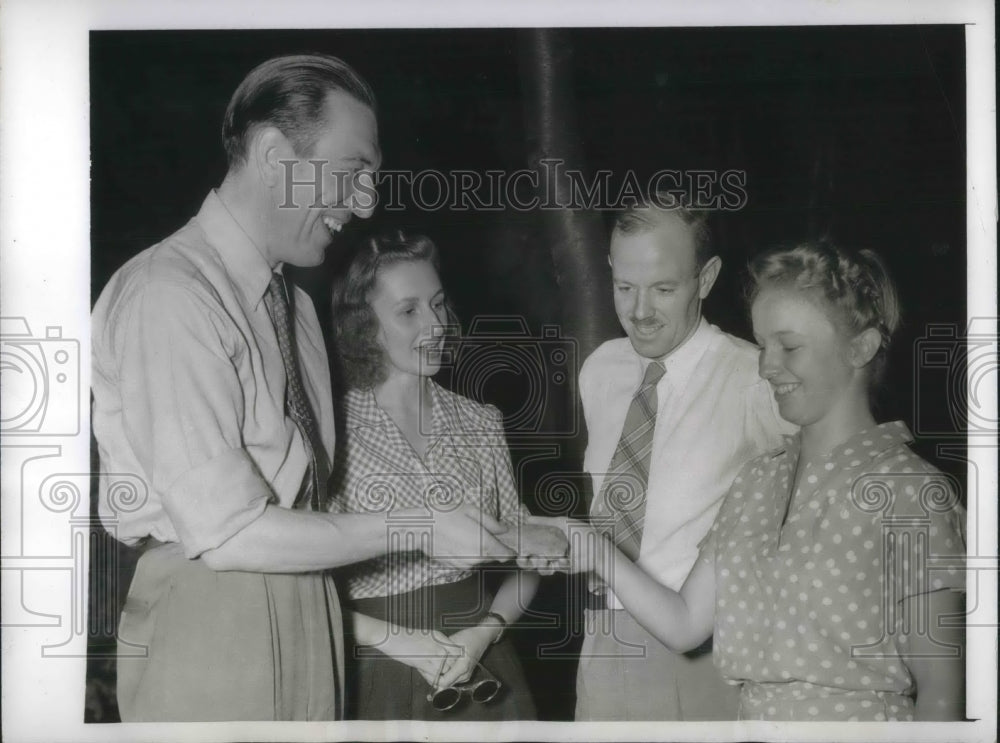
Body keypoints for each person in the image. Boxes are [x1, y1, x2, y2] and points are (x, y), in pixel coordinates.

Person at [90, 54, 518, 722]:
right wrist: (421, 523)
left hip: (312, 610)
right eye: (352, 172)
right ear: (271, 153)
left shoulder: (295, 311)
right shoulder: (169, 293)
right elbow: (227, 534)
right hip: (214, 615)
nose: (368, 201)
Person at [563, 240, 967, 721]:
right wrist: (586, 543)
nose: (766, 364)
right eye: (763, 343)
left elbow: (942, 698)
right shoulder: (756, 481)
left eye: (789, 345)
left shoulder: (912, 492)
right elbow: (684, 624)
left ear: (860, 347)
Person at [569, 193, 793, 721]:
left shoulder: (755, 379)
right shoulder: (600, 369)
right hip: (600, 641)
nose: (640, 312)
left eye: (664, 289)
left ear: (707, 278)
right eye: (625, 287)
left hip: (702, 656)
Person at [329, 231, 563, 719]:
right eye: (409, 311)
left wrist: (485, 631)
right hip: (375, 661)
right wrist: (400, 641)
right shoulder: (329, 431)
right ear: (365, 326)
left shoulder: (481, 421)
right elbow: (302, 584)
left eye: (438, 305)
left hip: (477, 657)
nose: (435, 325)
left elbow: (528, 556)